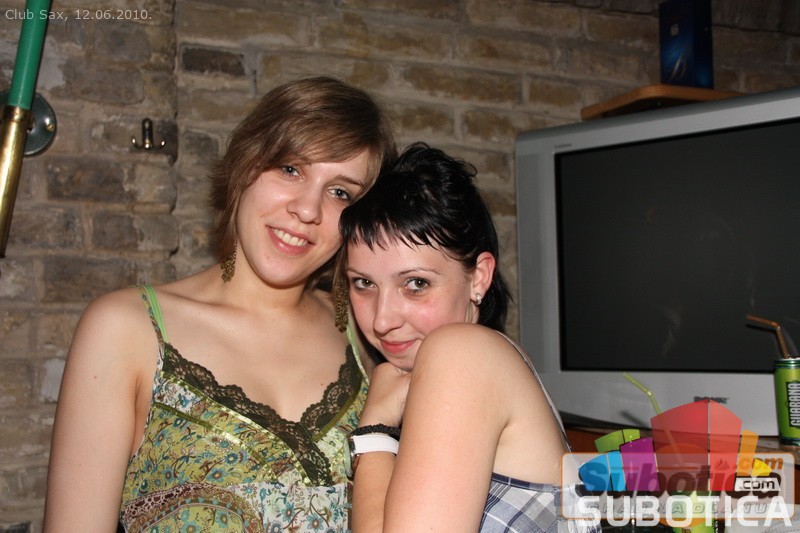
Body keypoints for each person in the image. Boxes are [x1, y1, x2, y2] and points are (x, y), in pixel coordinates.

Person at [43, 76, 396, 532]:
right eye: (290, 169)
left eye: (340, 192)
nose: (308, 209)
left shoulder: (368, 330)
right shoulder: (126, 329)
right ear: (246, 164)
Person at [336, 143, 598, 532]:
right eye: (363, 283)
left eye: (416, 283)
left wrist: (373, 430)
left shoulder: (461, 352)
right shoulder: (490, 357)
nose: (382, 319)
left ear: (478, 277)